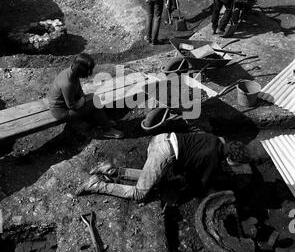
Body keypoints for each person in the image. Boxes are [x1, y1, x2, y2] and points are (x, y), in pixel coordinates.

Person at [76, 131, 250, 202]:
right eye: (237, 164)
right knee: (139, 193)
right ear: (231, 159)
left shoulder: (215, 139)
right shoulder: (213, 159)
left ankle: (111, 170)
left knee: (155, 176)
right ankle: (96, 185)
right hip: (164, 153)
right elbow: (202, 183)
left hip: (161, 139)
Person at [47, 53, 123, 139]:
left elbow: (79, 89)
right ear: (81, 69)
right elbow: (72, 106)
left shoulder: (72, 72)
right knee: (94, 103)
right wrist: (83, 99)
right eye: (88, 70)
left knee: (94, 97)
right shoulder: (67, 84)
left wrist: (83, 97)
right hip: (62, 112)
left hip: (68, 104)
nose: (89, 72)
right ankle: (107, 130)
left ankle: (102, 122)